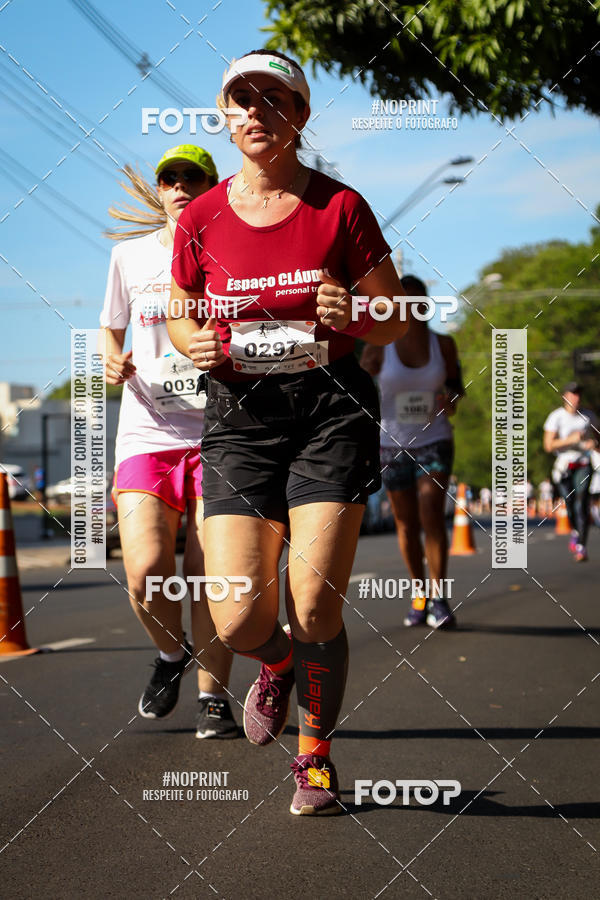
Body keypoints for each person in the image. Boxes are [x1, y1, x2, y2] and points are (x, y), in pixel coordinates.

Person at [166, 50, 407, 815]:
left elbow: (396, 318)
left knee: (314, 606)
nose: (256, 113)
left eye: (274, 99)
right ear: (225, 114)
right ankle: (275, 665)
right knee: (239, 618)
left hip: (330, 411)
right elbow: (180, 311)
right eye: (242, 100)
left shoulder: (340, 207)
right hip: (240, 419)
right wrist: (192, 344)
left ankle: (315, 759)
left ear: (300, 115)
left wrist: (356, 313)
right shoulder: (202, 217)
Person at [100, 145, 237, 738]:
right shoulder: (128, 257)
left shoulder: (233, 249)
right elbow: (110, 328)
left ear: (211, 187)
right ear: (159, 190)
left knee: (208, 576)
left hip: (221, 433)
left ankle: (213, 698)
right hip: (147, 433)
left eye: (192, 177)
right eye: (169, 178)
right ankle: (170, 654)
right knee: (146, 572)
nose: (180, 186)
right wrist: (111, 359)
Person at [361, 274, 464, 629]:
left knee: (431, 512)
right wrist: (367, 374)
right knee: (405, 523)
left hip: (434, 439)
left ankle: (439, 598)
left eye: (418, 301)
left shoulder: (443, 344)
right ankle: (419, 594)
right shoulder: (379, 344)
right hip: (391, 444)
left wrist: (449, 400)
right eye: (404, 300)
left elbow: (455, 388)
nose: (412, 307)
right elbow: (359, 386)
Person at [543, 381, 599, 562]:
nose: (577, 397)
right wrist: (570, 440)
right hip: (564, 465)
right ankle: (576, 530)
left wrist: (594, 443)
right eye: (573, 394)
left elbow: (598, 438)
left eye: (579, 394)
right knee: (570, 504)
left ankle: (581, 546)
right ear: (565, 396)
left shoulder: (588, 416)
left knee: (582, 503)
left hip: (583, 463)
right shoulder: (556, 417)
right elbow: (548, 445)